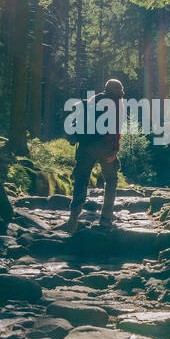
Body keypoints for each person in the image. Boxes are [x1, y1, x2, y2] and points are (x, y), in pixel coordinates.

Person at [66, 78, 124, 234]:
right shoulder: (117, 103)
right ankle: (105, 220)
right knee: (111, 180)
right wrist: (114, 151)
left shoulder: (92, 100)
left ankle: (74, 216)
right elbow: (115, 128)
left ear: (105, 88)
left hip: (85, 146)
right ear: (119, 91)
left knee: (81, 179)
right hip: (105, 147)